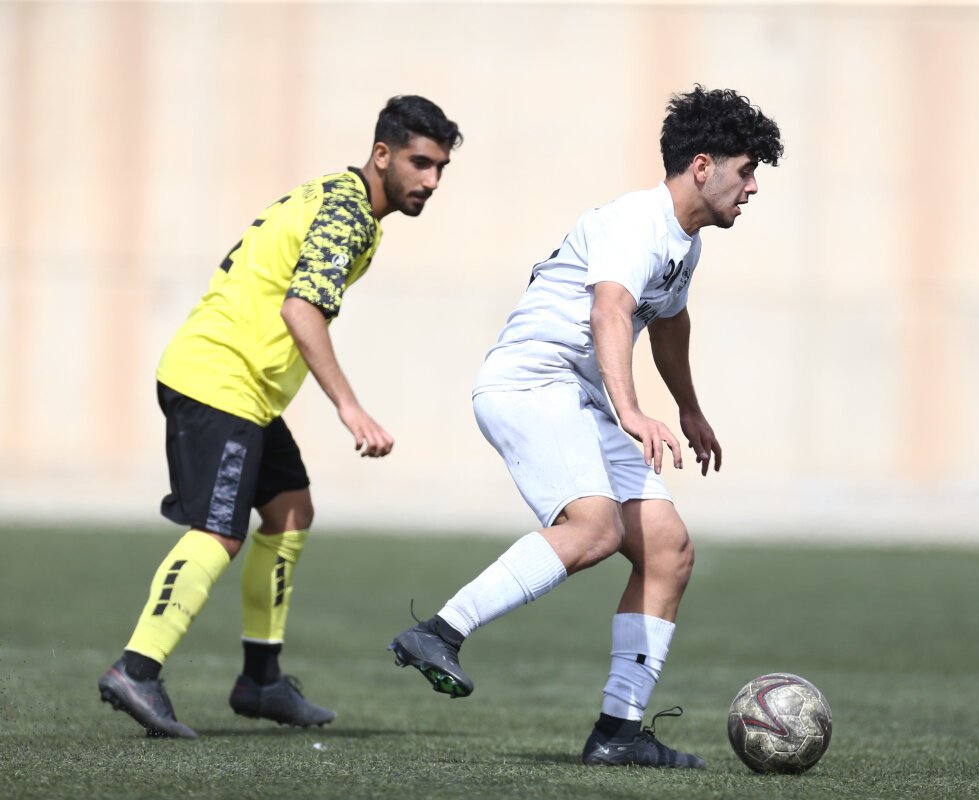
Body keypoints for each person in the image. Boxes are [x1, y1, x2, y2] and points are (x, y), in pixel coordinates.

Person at [388, 86, 782, 768]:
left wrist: (688, 407)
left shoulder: (684, 242)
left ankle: (617, 732)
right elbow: (610, 310)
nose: (752, 188)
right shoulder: (635, 222)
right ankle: (440, 632)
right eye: (746, 171)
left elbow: (670, 323)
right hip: (531, 383)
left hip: (576, 397)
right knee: (595, 528)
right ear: (702, 166)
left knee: (668, 549)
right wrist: (630, 411)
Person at [98, 95, 462, 738]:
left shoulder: (339, 197)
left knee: (291, 509)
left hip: (246, 389)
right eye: (420, 163)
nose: (431, 181)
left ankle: (260, 680)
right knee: (220, 531)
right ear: (382, 154)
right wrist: (350, 408)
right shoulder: (348, 214)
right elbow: (301, 309)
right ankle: (137, 668)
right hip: (220, 381)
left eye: (440, 169)